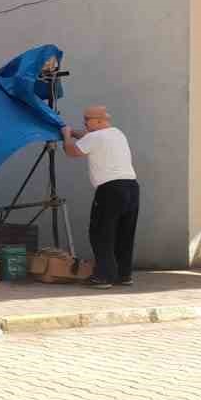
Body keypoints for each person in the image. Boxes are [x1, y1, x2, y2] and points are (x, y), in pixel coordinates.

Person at [62, 105, 139, 289]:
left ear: (98, 121)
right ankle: (124, 275)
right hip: (131, 188)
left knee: (101, 232)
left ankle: (103, 277)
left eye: (87, 120)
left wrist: (66, 136)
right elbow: (89, 138)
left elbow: (72, 152)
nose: (85, 124)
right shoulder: (117, 133)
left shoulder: (95, 137)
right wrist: (75, 133)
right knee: (124, 233)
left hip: (110, 190)